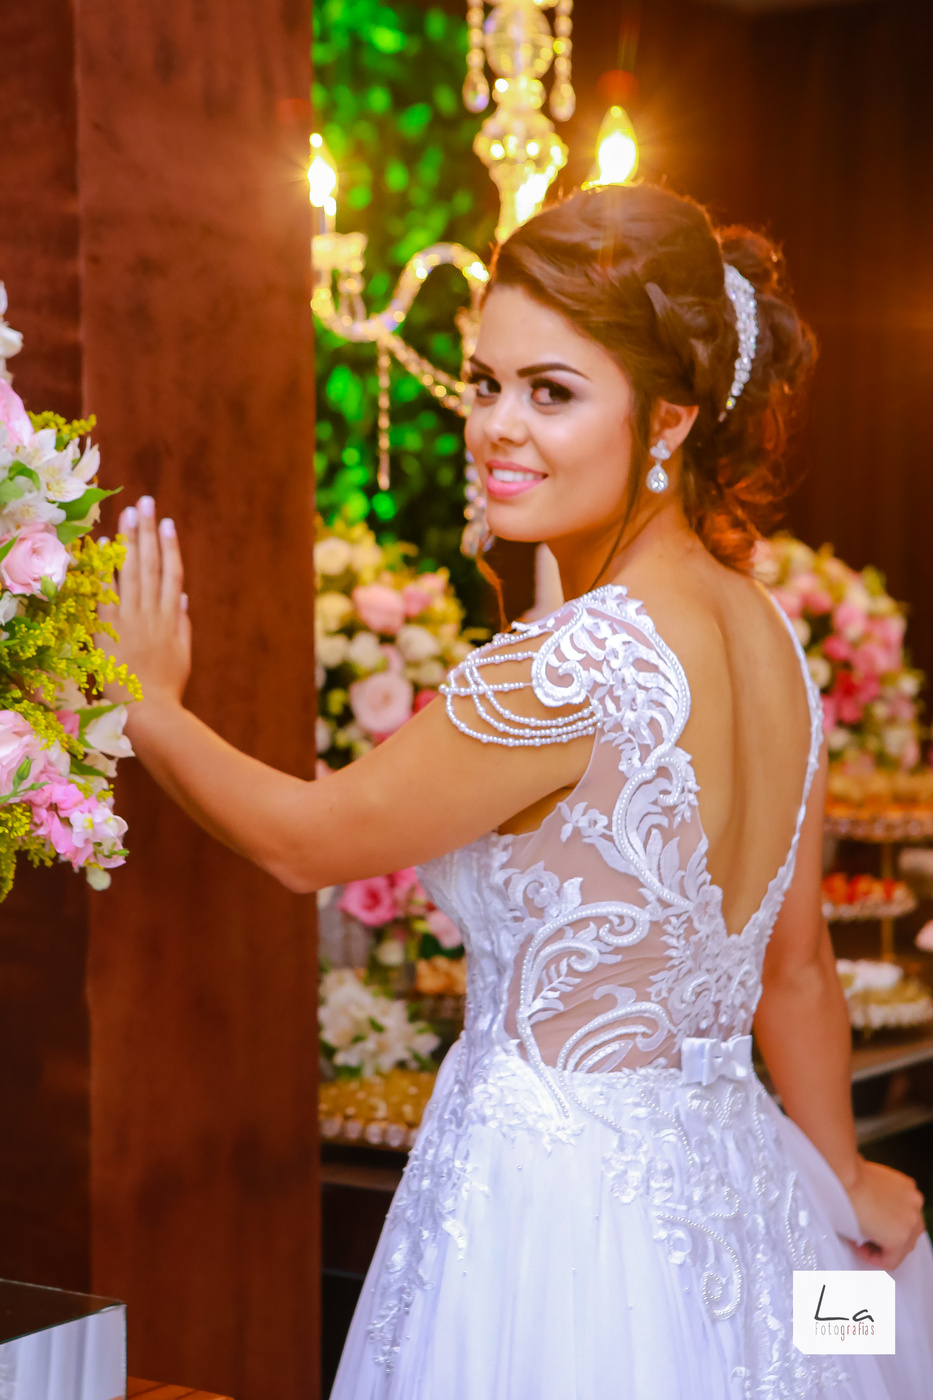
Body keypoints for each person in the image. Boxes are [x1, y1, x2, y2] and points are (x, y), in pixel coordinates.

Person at [105, 184, 933, 1398]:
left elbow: (303, 842)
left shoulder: (572, 666)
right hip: (744, 1192)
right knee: (809, 1358)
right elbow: (797, 966)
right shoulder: (771, 634)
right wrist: (843, 1180)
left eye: (552, 392)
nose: (496, 426)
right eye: (485, 382)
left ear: (668, 417)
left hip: (555, 1222)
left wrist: (151, 709)